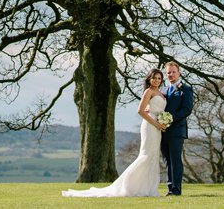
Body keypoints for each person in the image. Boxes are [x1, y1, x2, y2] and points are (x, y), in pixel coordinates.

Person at [62, 68, 168, 198]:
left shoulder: (161, 93)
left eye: (159, 78)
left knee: (153, 156)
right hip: (150, 127)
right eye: (154, 78)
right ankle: (126, 185)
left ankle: (147, 188)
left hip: (158, 128)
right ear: (149, 79)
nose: (156, 80)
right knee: (145, 156)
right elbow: (140, 110)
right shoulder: (149, 91)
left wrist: (164, 121)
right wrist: (156, 123)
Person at [160, 60, 194, 196]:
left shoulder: (186, 89)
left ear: (179, 73)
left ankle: (176, 189)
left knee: (175, 160)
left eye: (173, 72)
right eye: (168, 72)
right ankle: (170, 188)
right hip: (162, 131)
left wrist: (170, 118)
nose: (171, 74)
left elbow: (187, 109)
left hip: (177, 130)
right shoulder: (163, 90)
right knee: (167, 160)